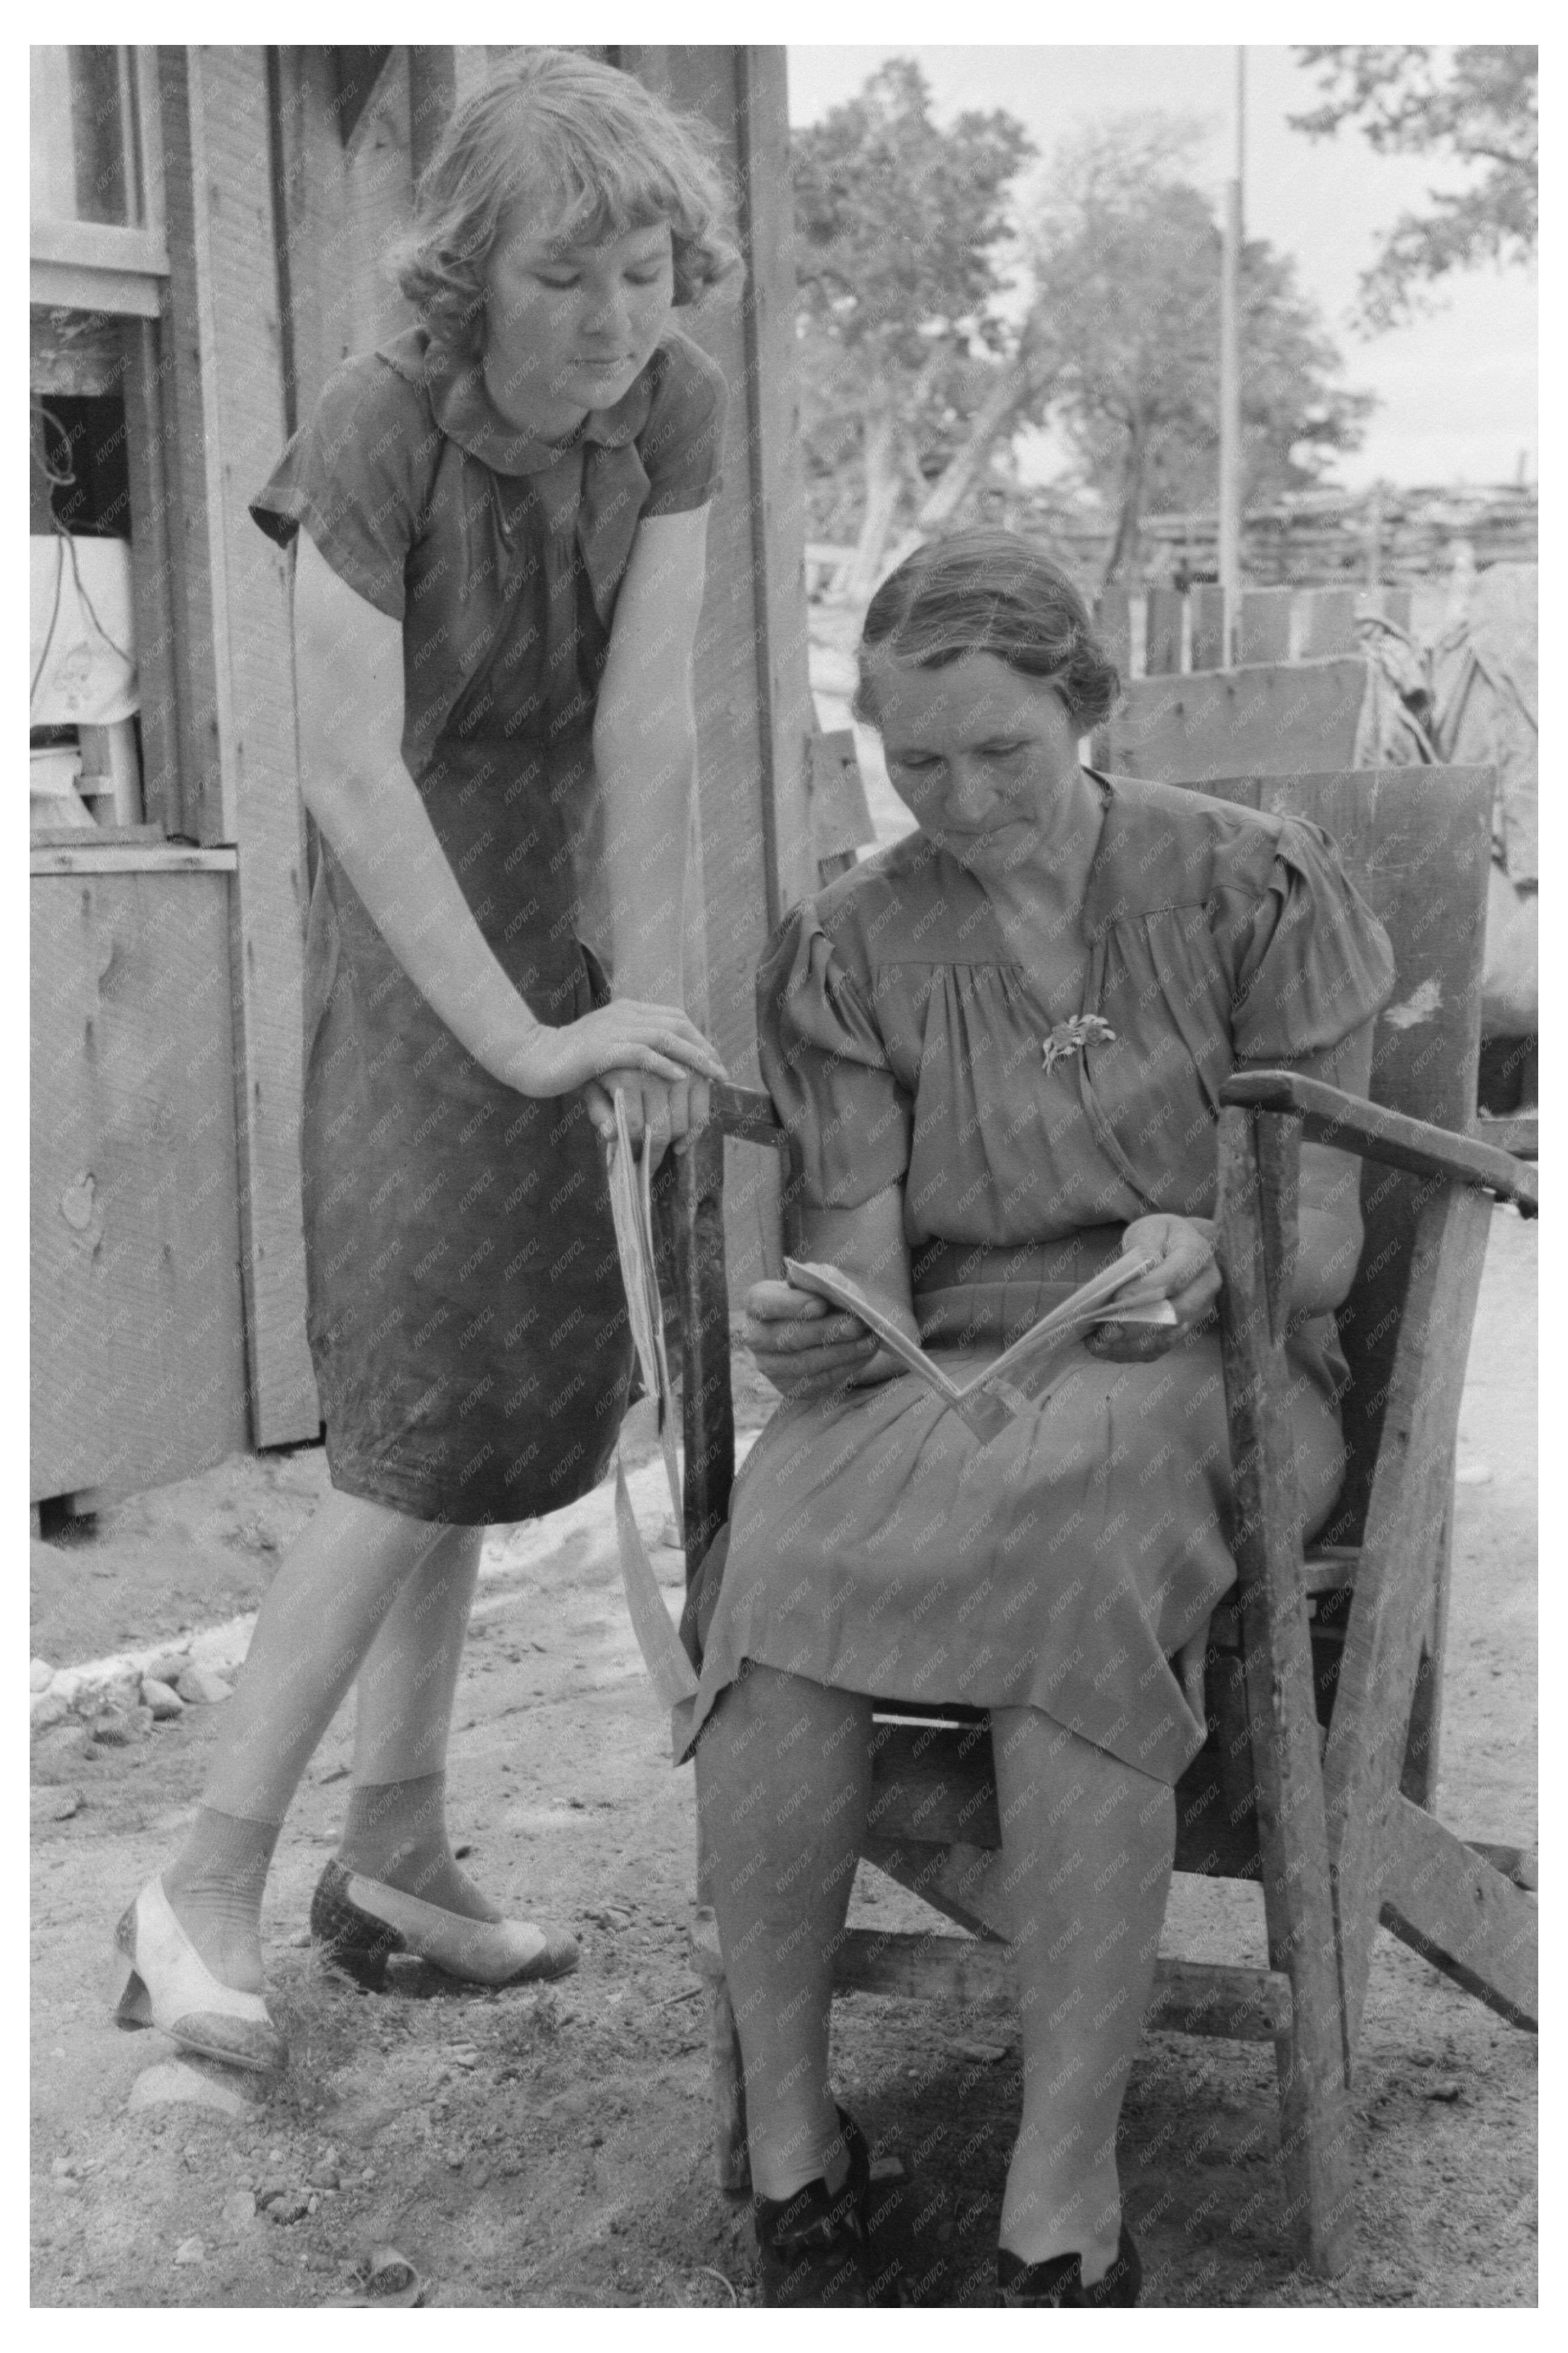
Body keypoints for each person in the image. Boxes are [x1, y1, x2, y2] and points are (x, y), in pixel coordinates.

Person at [682, 531, 1396, 2306]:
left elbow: (1319, 1239)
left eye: (1002, 751)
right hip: (961, 1366)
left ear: (1090, 707)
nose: (959, 796)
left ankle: (1063, 2179)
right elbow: (858, 1261)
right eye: (914, 762)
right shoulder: (849, 939)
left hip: (1209, 1363)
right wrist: (811, 1324)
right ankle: (794, 2143)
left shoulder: (1249, 886)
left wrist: (1213, 1259)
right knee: (770, 1563)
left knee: (1077, 1556)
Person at [111, 49, 735, 2075]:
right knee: (410, 1423)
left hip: (558, 943)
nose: (620, 315)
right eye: (573, 276)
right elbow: (350, 775)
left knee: (498, 1421)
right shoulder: (375, 428)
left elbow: (645, 742)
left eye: (648, 267)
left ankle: (394, 1858)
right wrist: (527, 1032)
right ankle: (197, 1878)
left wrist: (641, 1019)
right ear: (471, 273)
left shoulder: (675, 417)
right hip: (413, 957)